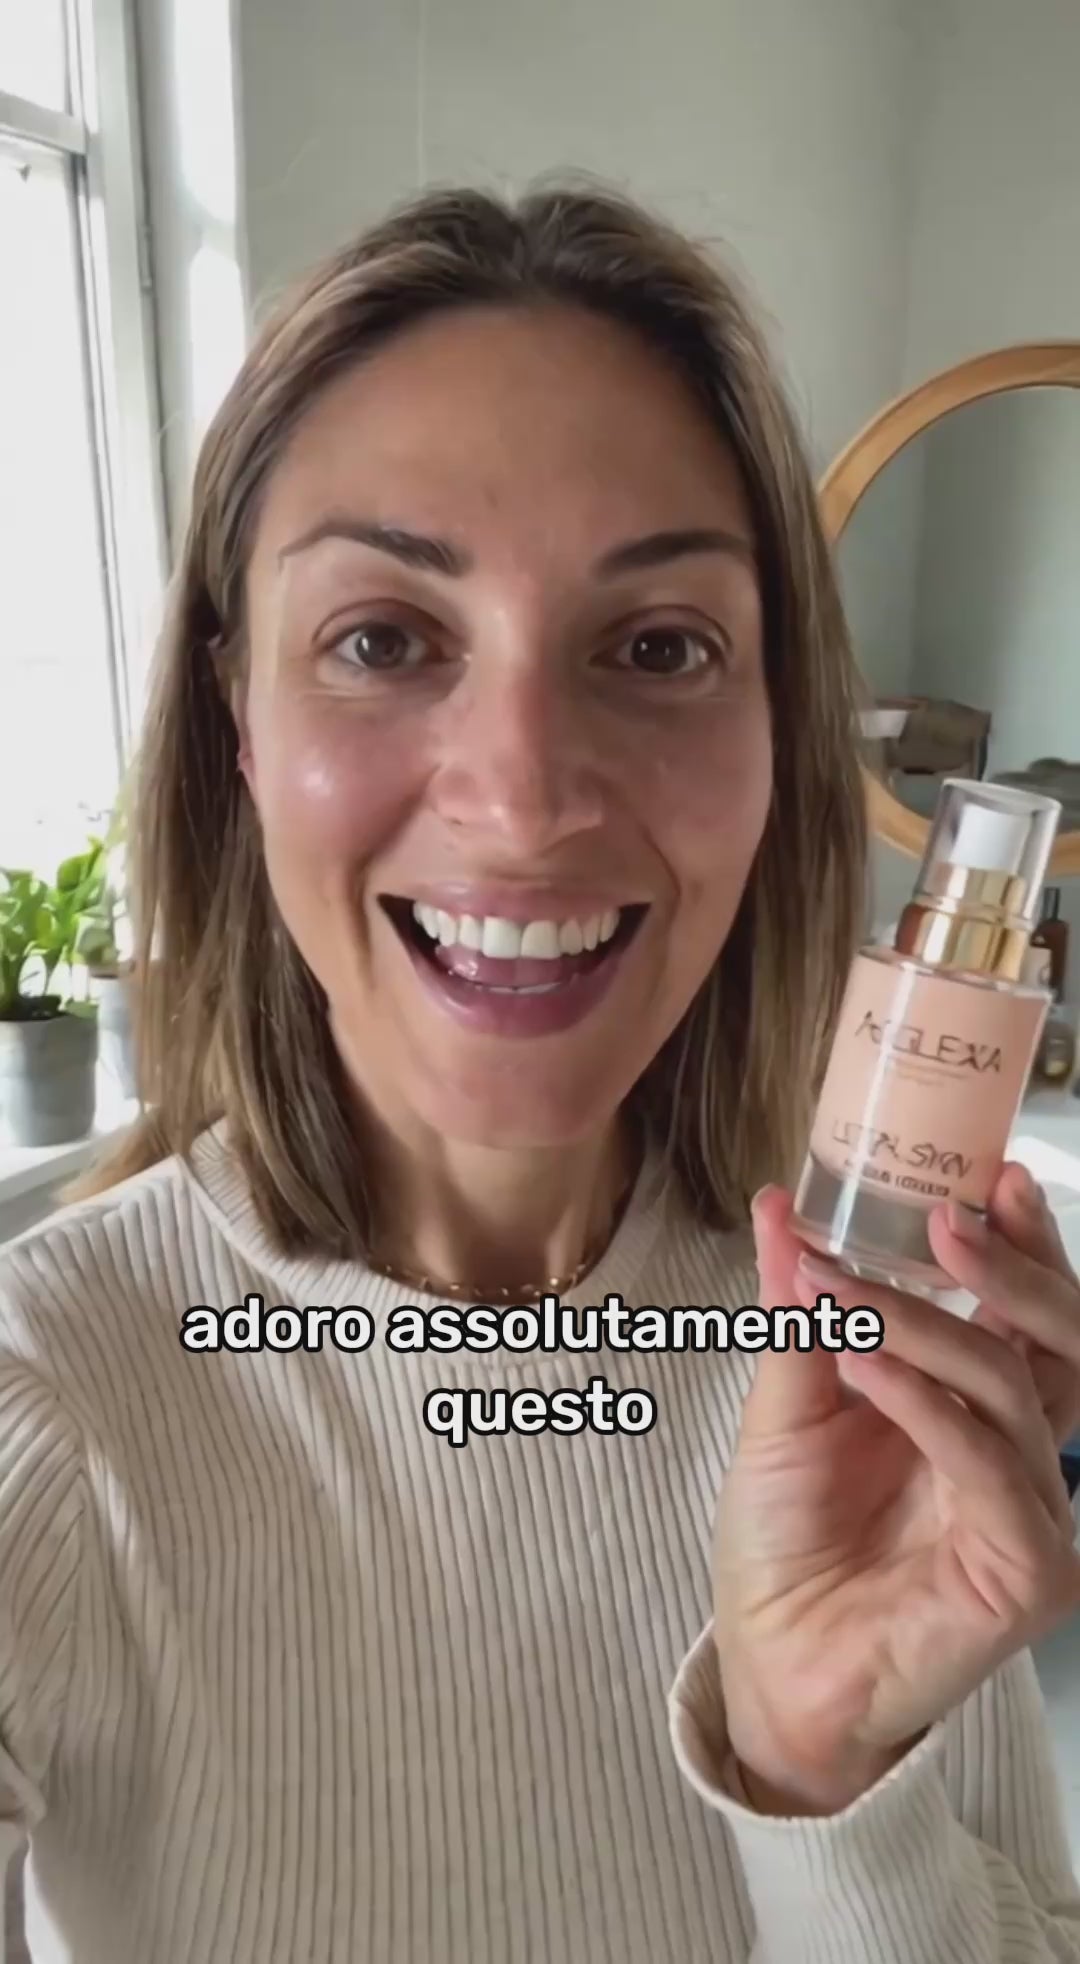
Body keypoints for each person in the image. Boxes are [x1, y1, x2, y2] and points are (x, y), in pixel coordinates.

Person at [2, 183, 1080, 1964]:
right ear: (239, 720)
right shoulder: (47, 1393)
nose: (523, 799)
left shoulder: (853, 1374)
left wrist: (815, 1774)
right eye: (381, 640)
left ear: (776, 730)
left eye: (659, 648)